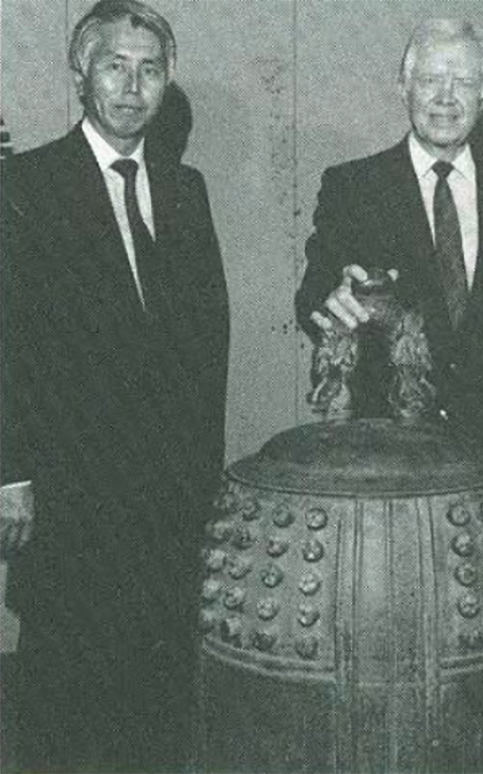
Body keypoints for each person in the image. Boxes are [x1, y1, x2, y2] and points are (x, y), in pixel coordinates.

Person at [0, 1, 229, 770]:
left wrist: (205, 480)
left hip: (166, 503)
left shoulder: (187, 189)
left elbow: (207, 347)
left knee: (159, 705)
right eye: (114, 65)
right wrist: (11, 473)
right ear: (80, 75)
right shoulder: (22, 186)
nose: (132, 86)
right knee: (63, 711)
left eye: (150, 69)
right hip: (67, 498)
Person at [296, 19, 483, 567]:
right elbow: (312, 291)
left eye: (463, 81)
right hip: (389, 472)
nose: (446, 97)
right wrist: (329, 301)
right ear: (403, 87)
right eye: (430, 79)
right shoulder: (353, 186)